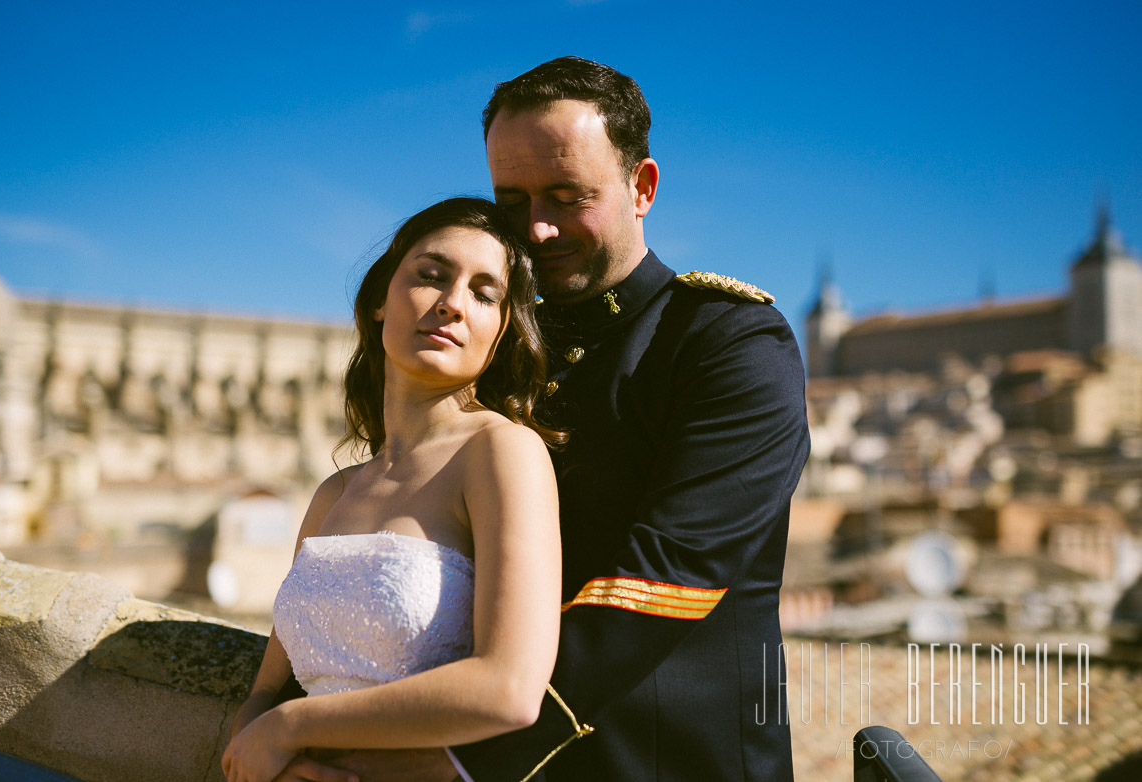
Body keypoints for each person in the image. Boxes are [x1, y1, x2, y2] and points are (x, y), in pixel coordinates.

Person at [289, 56, 810, 782]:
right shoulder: (488, 344)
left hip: (661, 760)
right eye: (512, 200)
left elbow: (670, 576)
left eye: (567, 197)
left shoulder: (726, 342)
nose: (535, 229)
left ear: (642, 188)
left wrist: (462, 755)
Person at [221, 197, 564, 782]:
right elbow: (268, 687)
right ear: (380, 300)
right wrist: (261, 744)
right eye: (431, 276)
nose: (453, 304)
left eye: (484, 294)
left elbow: (508, 689)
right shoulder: (334, 494)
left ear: (500, 330)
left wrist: (295, 729)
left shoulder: (501, 451)